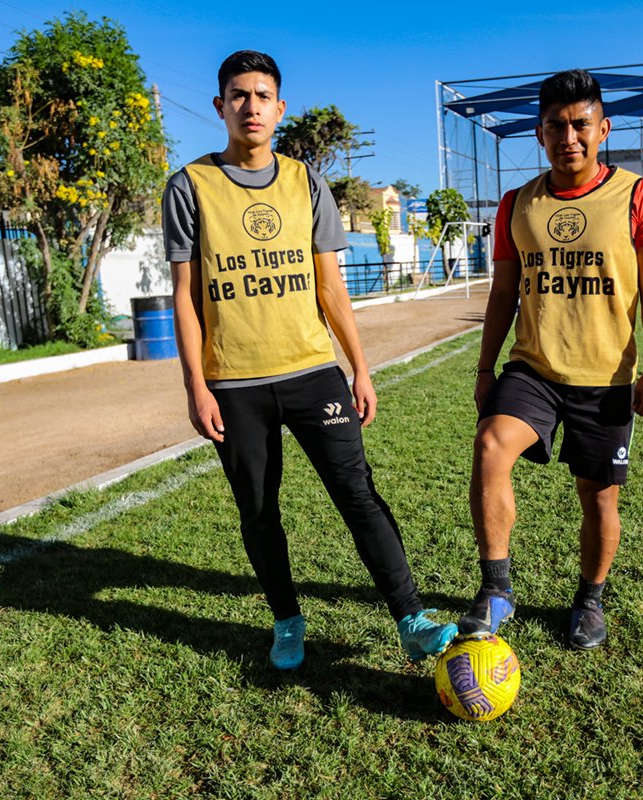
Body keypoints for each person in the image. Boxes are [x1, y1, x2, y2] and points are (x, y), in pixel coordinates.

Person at [162, 50, 457, 670]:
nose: (250, 106)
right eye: (238, 95)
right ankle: (286, 621)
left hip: (312, 372)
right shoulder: (190, 186)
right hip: (234, 382)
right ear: (220, 106)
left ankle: (410, 618)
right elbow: (184, 298)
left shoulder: (306, 182)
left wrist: (360, 366)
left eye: (261, 95)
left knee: (358, 493)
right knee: (258, 510)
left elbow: (331, 287)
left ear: (280, 109)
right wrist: (195, 385)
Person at [459, 69, 643, 649]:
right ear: (539, 133)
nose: (568, 137)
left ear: (604, 129)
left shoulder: (636, 195)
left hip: (606, 378)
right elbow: (504, 293)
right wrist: (485, 369)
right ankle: (496, 590)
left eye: (580, 124)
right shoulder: (517, 204)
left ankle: (589, 601)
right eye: (556, 126)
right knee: (490, 446)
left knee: (598, 496)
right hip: (534, 368)